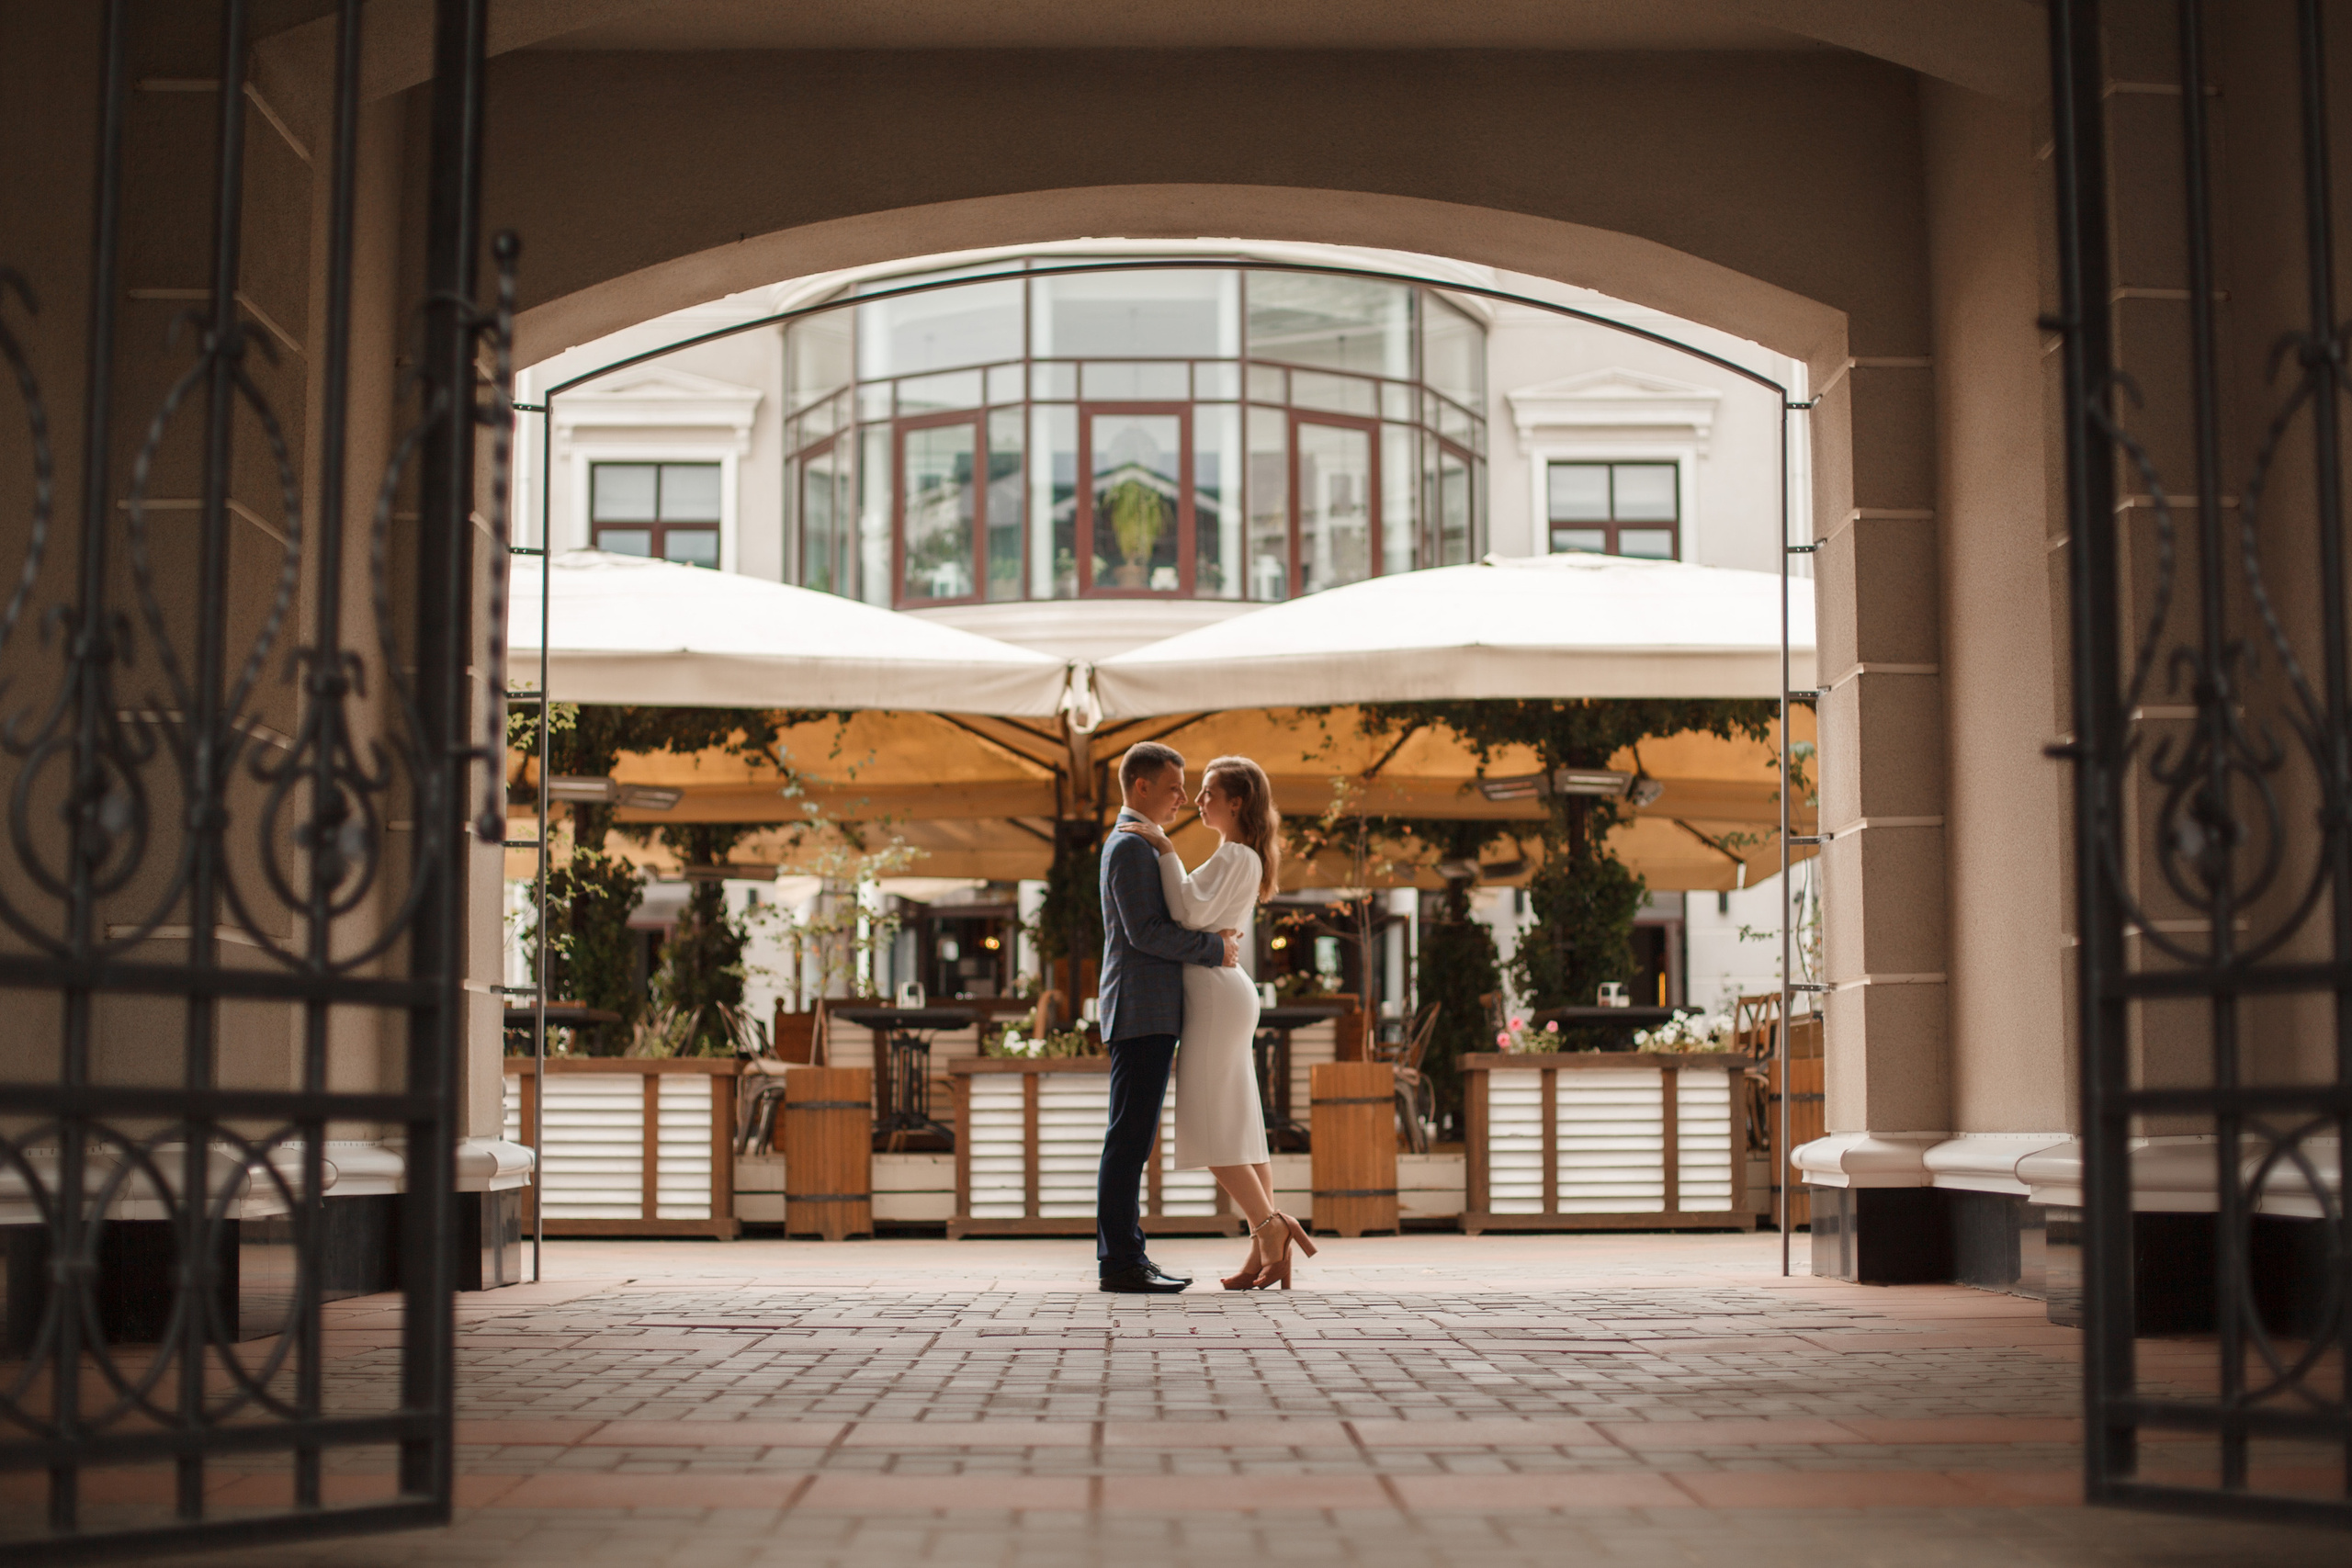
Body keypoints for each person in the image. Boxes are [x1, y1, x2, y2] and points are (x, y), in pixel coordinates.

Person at [1118, 756, 1317, 1290]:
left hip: (1213, 994)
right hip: (1221, 991)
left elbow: (1186, 913)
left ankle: (1269, 1226)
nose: (1197, 801)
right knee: (1241, 1121)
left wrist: (1165, 850)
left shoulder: (1236, 856)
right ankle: (1265, 1250)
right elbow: (1196, 909)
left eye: (1208, 792)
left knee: (1210, 1122)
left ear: (1237, 802)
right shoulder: (1238, 855)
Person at [1093, 742, 1239, 1293]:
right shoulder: (1130, 846)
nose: (1184, 796)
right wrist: (1214, 949)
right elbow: (1145, 933)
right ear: (1142, 787)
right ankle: (1122, 1263)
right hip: (1140, 1008)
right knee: (1129, 1139)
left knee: (1131, 1137)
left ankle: (1127, 1256)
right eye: (1175, 786)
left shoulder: (1138, 841)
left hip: (1145, 1008)